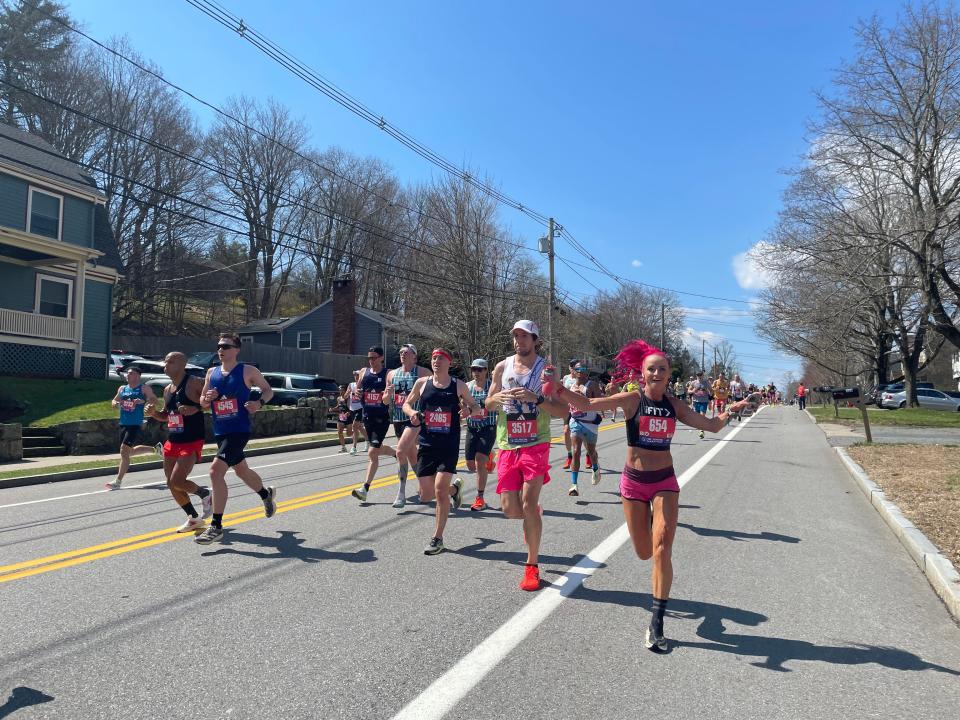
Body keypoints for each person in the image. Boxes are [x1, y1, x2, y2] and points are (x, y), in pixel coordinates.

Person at [556, 339, 751, 653]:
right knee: (644, 552)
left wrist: (732, 410)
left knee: (662, 548)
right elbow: (589, 406)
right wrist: (559, 390)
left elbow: (711, 425)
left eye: (662, 368)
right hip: (633, 484)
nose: (657, 372)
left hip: (664, 482)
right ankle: (648, 522)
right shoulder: (633, 401)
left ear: (668, 374)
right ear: (642, 373)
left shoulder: (674, 405)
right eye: (651, 368)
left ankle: (657, 623)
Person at [485, 320, 572, 591]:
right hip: (508, 443)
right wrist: (496, 399)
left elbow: (562, 411)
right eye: (516, 336)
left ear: (535, 340)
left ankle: (531, 566)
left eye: (524, 337)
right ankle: (532, 514)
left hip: (537, 442)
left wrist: (536, 399)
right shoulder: (502, 367)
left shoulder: (546, 371)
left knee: (528, 499)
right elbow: (487, 403)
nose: (519, 341)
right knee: (511, 510)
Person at [195, 332, 277, 545]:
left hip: (239, 429)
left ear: (237, 349)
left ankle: (216, 526)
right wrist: (207, 398)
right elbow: (203, 402)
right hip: (220, 430)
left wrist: (259, 403)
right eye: (219, 346)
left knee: (215, 471)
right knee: (242, 471)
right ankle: (265, 494)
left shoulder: (247, 370)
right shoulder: (211, 372)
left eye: (226, 346)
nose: (221, 349)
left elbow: (268, 390)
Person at [403, 349, 482, 554]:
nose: (436, 361)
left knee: (439, 490)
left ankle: (437, 538)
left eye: (441, 358)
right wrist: (412, 413)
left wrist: (468, 410)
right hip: (427, 444)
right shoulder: (422, 384)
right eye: (434, 358)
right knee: (426, 494)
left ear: (449, 362)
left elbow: (476, 408)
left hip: (449, 444)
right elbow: (406, 403)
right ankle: (455, 491)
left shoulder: (459, 385)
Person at [143, 352, 213, 533]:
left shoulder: (194, 383)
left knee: (178, 480)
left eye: (170, 361)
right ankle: (193, 518)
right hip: (173, 439)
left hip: (191, 439)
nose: (165, 365)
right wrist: (154, 413)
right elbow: (167, 416)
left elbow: (210, 404)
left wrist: (195, 407)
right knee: (170, 483)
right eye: (164, 362)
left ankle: (205, 494)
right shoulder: (167, 390)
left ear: (182, 364)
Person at [351, 346, 398, 503]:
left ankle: (364, 488)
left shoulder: (388, 373)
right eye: (369, 358)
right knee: (376, 449)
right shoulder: (364, 372)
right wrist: (357, 393)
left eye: (374, 358)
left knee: (372, 453)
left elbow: (389, 395)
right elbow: (357, 390)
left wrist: (387, 395)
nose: (371, 361)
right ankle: (395, 453)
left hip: (381, 418)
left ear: (381, 358)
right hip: (367, 417)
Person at [385, 343, 430, 508]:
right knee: (412, 457)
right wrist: (387, 395)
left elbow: (432, 391)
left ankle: (401, 493)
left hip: (414, 420)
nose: (403, 354)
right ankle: (448, 490)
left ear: (414, 356)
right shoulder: (391, 374)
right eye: (401, 352)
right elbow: (385, 399)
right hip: (397, 420)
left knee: (400, 451)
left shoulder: (422, 373)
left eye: (407, 352)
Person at [106, 366, 158, 489]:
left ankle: (118, 481)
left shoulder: (144, 388)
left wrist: (145, 401)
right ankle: (155, 449)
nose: (127, 375)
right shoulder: (123, 388)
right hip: (123, 423)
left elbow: (154, 400)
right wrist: (116, 404)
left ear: (137, 376)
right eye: (127, 374)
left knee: (124, 451)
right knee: (128, 452)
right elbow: (114, 401)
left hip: (135, 423)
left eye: (131, 374)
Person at [465, 358, 498, 511]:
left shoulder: (493, 387)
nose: (476, 373)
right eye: (474, 369)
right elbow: (462, 406)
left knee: (479, 461)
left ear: (486, 370)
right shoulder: (467, 387)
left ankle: (480, 498)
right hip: (472, 427)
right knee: (471, 465)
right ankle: (490, 455)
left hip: (488, 427)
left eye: (480, 369)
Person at [566, 364, 603, 496]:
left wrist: (583, 397)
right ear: (574, 372)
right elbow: (564, 400)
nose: (581, 372)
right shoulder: (568, 383)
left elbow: (600, 401)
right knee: (576, 451)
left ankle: (595, 467)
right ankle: (574, 485)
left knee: (591, 452)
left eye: (584, 370)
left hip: (590, 423)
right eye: (578, 370)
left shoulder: (591, 385)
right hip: (576, 421)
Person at [561, 359, 579, 469]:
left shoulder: (580, 378)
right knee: (566, 431)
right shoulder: (566, 378)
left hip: (579, 409)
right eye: (571, 367)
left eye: (575, 367)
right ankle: (569, 456)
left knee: (582, 434)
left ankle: (588, 454)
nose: (573, 369)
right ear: (569, 368)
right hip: (568, 409)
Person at [346, 371, 365, 455]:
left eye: (357, 375)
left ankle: (354, 447)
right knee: (360, 427)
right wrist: (347, 393)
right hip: (352, 409)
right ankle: (368, 441)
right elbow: (345, 396)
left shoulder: (363, 385)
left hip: (360, 408)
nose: (356, 377)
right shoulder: (351, 385)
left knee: (354, 426)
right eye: (354, 375)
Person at [690, 371, 711, 438]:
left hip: (704, 401)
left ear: (703, 376)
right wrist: (693, 391)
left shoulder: (706, 382)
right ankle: (700, 427)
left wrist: (709, 394)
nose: (699, 376)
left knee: (702, 415)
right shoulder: (694, 383)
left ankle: (702, 431)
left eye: (700, 375)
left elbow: (711, 390)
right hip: (696, 401)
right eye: (697, 375)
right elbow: (688, 390)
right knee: (698, 416)